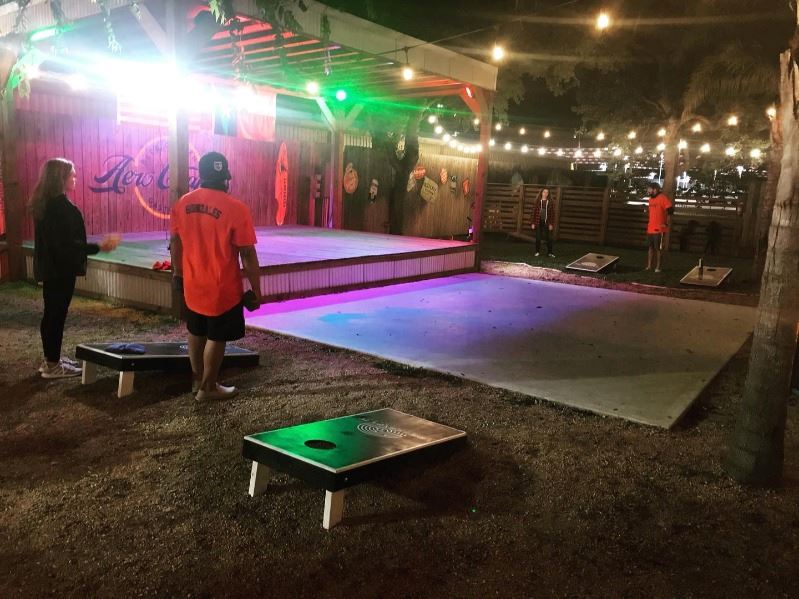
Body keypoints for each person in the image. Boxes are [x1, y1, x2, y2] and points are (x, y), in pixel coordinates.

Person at [170, 151, 262, 401]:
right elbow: (248, 255)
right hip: (223, 288)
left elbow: (175, 242)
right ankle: (208, 388)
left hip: (192, 283)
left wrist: (177, 272)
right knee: (217, 336)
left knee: (196, 330)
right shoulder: (236, 208)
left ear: (201, 176)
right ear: (226, 178)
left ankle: (197, 380)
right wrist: (257, 289)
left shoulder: (183, 204)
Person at [32, 158, 119, 378]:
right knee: (56, 315)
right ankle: (52, 365)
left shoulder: (44, 203)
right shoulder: (61, 207)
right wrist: (99, 247)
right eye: (72, 175)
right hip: (60, 270)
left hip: (50, 268)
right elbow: (68, 245)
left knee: (50, 314)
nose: (75, 179)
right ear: (60, 178)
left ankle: (50, 360)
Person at [645, 181, 674, 272]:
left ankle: (658, 267)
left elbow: (670, 210)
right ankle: (649, 266)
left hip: (659, 228)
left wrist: (666, 223)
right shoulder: (650, 199)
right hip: (650, 227)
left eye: (649, 189)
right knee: (650, 247)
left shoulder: (662, 198)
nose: (648, 190)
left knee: (658, 248)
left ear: (655, 189)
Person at [531, 187, 556, 257]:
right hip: (538, 221)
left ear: (548, 194)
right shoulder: (537, 201)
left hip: (547, 222)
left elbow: (552, 214)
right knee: (538, 238)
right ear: (541, 193)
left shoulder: (550, 202)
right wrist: (533, 223)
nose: (545, 194)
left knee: (549, 238)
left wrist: (551, 224)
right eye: (544, 192)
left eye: (547, 192)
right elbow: (534, 212)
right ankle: (537, 252)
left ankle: (550, 253)